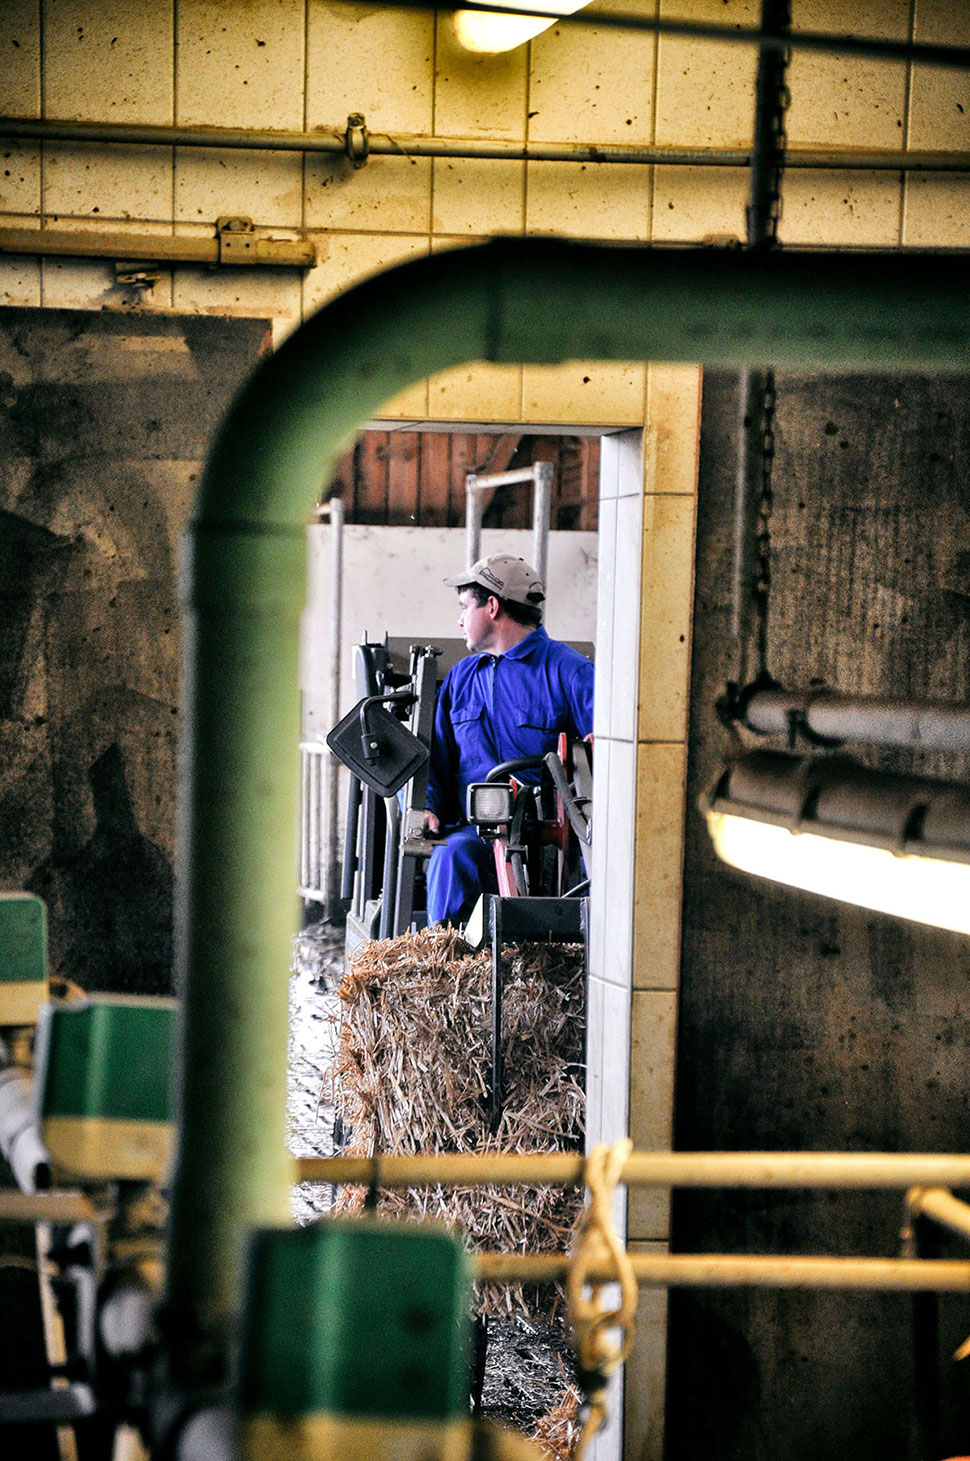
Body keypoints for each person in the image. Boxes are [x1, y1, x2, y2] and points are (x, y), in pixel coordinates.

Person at [423, 552, 594, 925]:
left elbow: (611, 748)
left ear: (493, 606)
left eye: (465, 607)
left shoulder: (570, 671)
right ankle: (445, 970)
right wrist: (428, 805)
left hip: (551, 836)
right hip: (474, 833)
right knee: (452, 857)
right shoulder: (461, 678)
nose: (459, 619)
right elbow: (437, 755)